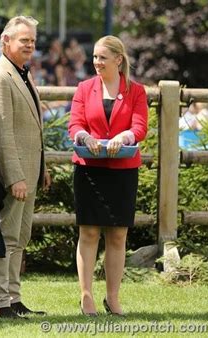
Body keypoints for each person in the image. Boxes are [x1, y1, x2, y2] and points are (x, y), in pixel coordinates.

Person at [68, 35, 148, 316]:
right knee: (88, 232)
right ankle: (86, 296)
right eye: (94, 57)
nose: (96, 62)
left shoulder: (136, 91)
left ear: (118, 59)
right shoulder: (83, 88)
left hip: (123, 171)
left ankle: (112, 298)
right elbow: (75, 122)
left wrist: (124, 136)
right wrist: (83, 136)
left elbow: (139, 127)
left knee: (117, 236)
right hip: (89, 168)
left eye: (102, 57)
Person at [0, 16, 51, 319]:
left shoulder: (22, 73)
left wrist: (41, 167)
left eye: (33, 41)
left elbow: (32, 127)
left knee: (20, 238)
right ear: (6, 41)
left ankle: (14, 297)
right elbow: (1, 133)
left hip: (30, 170)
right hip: (15, 174)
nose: (30, 45)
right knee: (5, 237)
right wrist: (15, 177)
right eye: (24, 40)